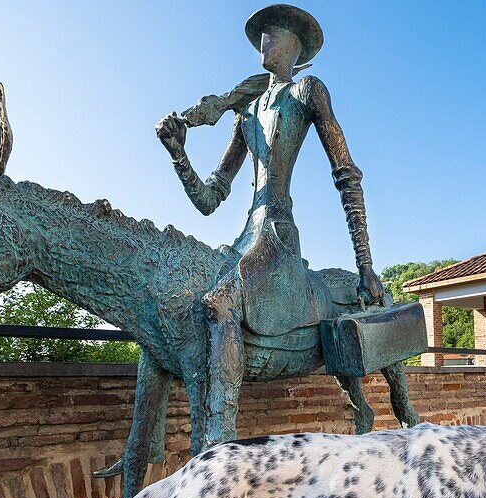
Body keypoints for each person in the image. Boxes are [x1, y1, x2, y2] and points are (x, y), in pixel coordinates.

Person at [155, 4, 383, 440]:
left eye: (274, 32)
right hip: (246, 237)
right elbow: (210, 198)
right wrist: (178, 154)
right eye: (262, 33)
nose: (265, 39)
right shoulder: (245, 113)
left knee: (220, 301)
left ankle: (217, 451)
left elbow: (347, 176)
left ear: (296, 46)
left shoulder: (307, 91)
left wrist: (366, 266)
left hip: (277, 237)